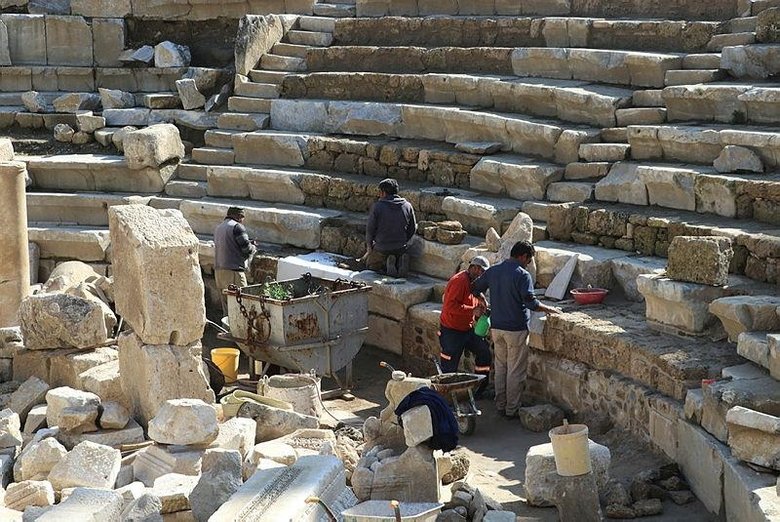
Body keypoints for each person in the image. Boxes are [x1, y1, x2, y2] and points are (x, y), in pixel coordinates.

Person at [471, 241, 560, 418]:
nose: (528, 263)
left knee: (501, 367)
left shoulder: (493, 271)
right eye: (528, 260)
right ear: (522, 256)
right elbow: (531, 303)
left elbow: (475, 288)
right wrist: (549, 309)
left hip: (496, 328)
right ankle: (511, 409)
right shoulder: (522, 275)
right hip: (516, 329)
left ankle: (500, 404)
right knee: (515, 371)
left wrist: (483, 302)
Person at [439, 256, 492, 388]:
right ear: (474, 268)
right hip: (452, 330)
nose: (483, 275)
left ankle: (479, 387)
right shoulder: (459, 281)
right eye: (482, 272)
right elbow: (449, 306)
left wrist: (482, 299)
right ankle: (447, 393)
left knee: (484, 352)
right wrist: (472, 311)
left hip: (467, 330)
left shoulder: (472, 281)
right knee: (449, 365)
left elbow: (474, 292)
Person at [364, 178, 416, 277]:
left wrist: (369, 246)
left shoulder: (378, 207)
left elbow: (370, 229)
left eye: (379, 192)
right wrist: (404, 241)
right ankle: (398, 262)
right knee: (397, 252)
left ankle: (386, 266)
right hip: (401, 246)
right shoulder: (407, 206)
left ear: (383, 193)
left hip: (382, 247)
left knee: (371, 265)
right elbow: (412, 228)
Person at [214, 207, 256, 318]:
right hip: (233, 272)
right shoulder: (237, 227)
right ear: (239, 216)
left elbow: (230, 244)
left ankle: (227, 330)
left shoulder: (219, 227)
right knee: (242, 303)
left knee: (227, 309)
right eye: (242, 217)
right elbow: (247, 249)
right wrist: (253, 246)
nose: (243, 220)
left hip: (219, 271)